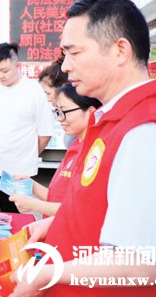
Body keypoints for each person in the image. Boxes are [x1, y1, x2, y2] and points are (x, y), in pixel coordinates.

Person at [7, 0, 156, 297]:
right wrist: (54, 223)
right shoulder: (114, 121)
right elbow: (100, 207)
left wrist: (49, 273)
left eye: (74, 53)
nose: (66, 67)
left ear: (120, 50)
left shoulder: (143, 135)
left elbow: (140, 263)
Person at [0, 43, 54, 212]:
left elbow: (45, 134)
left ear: (18, 65)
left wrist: (27, 154)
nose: (0, 75)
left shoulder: (34, 91)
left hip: (18, 173)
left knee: (14, 220)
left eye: (5, 70)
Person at [9, 83, 101, 216]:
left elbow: (79, 209)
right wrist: (32, 185)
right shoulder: (75, 145)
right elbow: (57, 197)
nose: (59, 119)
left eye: (65, 111)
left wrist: (32, 204)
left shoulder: (94, 153)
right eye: (57, 112)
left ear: (91, 112)